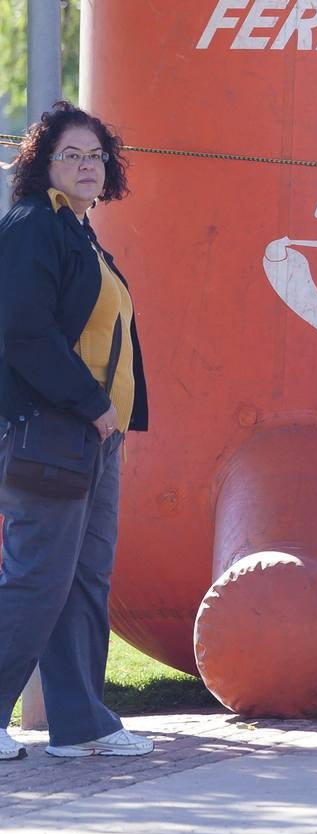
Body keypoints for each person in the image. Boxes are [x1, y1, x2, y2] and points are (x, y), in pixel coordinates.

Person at [0, 102, 153, 759]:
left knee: (84, 579)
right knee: (38, 578)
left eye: (96, 156)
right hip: (52, 429)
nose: (88, 166)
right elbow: (21, 329)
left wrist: (111, 422)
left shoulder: (80, 232)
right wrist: (91, 404)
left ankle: (81, 723)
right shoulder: (35, 225)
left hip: (93, 436)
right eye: (72, 155)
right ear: (43, 165)